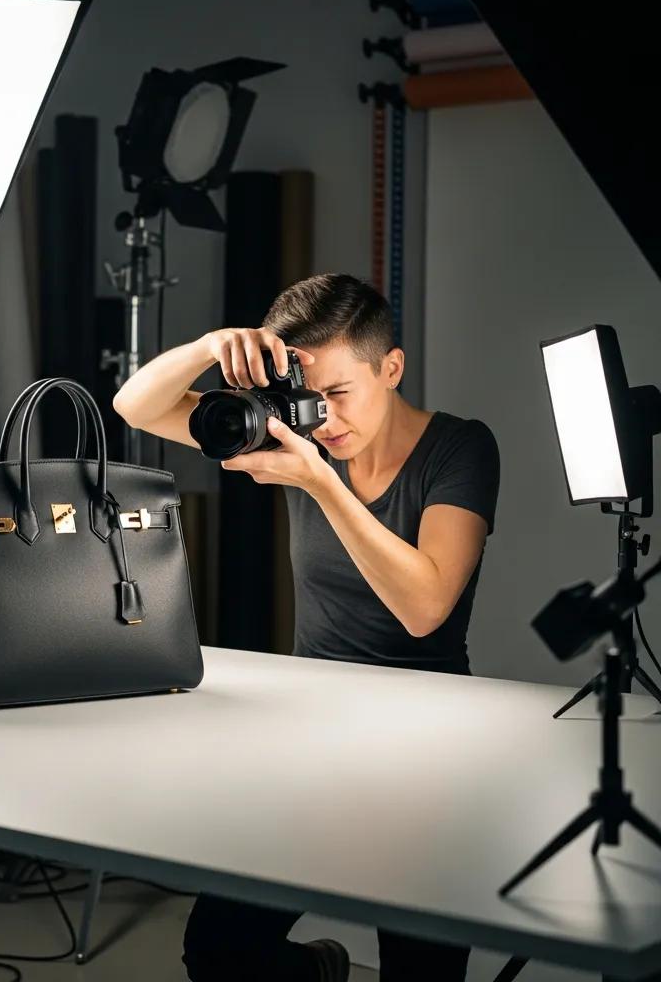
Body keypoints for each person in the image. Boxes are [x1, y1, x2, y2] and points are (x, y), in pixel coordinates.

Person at [112, 273, 500, 982]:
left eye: (342, 394)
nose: (326, 419)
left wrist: (320, 480)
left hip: (435, 745)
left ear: (391, 368)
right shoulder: (298, 433)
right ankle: (321, 970)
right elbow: (133, 406)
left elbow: (425, 608)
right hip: (316, 732)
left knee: (421, 972)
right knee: (219, 951)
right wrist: (208, 345)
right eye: (310, 398)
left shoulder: (460, 450)